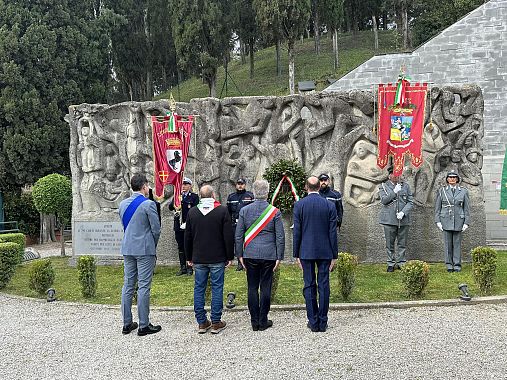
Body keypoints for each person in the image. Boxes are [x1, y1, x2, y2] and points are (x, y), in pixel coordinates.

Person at [235, 180, 285, 331]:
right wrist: (279, 256)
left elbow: (238, 236)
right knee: (265, 288)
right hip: (269, 255)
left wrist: (240, 255)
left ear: (254, 192)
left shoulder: (244, 210)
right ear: (268, 192)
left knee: (251, 287)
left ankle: (254, 321)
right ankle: (263, 321)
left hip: (250, 253)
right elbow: (280, 237)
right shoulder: (274, 211)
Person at [185, 185, 234, 334]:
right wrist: (229, 256)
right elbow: (228, 236)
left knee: (199, 288)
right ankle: (216, 322)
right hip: (217, 256)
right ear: (213, 195)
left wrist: (189, 257)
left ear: (200, 196)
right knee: (217, 288)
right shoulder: (222, 210)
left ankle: (201, 322)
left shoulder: (192, 212)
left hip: (199, 257)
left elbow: (187, 236)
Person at [293, 176, 338, 333]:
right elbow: (333, 233)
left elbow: (297, 232)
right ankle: (322, 322)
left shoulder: (299, 205)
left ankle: (313, 321)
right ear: (319, 187)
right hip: (325, 250)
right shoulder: (329, 205)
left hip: (306, 250)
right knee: (324, 285)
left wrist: (296, 254)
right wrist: (334, 255)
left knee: (309, 284)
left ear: (306, 187)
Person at [118, 174, 161, 336]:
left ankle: (127, 323)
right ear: (144, 187)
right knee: (143, 286)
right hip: (144, 250)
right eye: (148, 186)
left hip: (127, 248)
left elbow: (125, 225)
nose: (149, 189)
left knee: (128, 286)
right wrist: (152, 245)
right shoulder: (148, 204)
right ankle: (144, 325)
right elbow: (156, 229)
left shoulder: (122, 204)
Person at [378, 166, 414, 272]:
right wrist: (394, 192)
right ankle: (391, 263)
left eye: (398, 174)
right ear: (389, 175)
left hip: (403, 219)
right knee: (390, 243)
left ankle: (401, 262)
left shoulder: (406, 186)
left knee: (402, 243)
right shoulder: (383, 186)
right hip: (389, 220)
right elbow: (384, 200)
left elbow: (410, 201)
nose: (396, 176)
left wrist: (403, 212)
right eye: (394, 174)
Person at [434, 171, 470, 272]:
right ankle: (449, 265)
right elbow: (437, 207)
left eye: (454, 177)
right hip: (445, 220)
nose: (452, 179)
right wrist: (438, 221)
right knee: (447, 244)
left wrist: (466, 222)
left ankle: (457, 265)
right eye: (450, 177)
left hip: (459, 220)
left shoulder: (463, 191)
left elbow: (466, 208)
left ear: (457, 179)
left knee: (457, 244)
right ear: (447, 179)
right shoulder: (442, 191)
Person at [169, 177, 199, 276]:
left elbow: (195, 209)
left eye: (186, 184)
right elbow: (170, 207)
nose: (184, 186)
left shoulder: (194, 197)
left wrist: (184, 201)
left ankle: (190, 267)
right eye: (182, 184)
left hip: (188, 225)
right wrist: (176, 199)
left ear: (190, 186)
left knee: (189, 246)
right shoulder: (177, 196)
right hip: (178, 225)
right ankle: (183, 267)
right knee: (181, 246)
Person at [226, 177, 254, 271]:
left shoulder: (250, 196)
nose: (240, 185)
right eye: (238, 184)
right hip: (235, 224)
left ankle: (248, 261)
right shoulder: (231, 197)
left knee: (247, 242)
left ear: (245, 185)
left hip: (247, 224)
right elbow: (228, 212)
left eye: (242, 184)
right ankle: (239, 263)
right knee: (237, 243)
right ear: (236, 185)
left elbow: (252, 211)